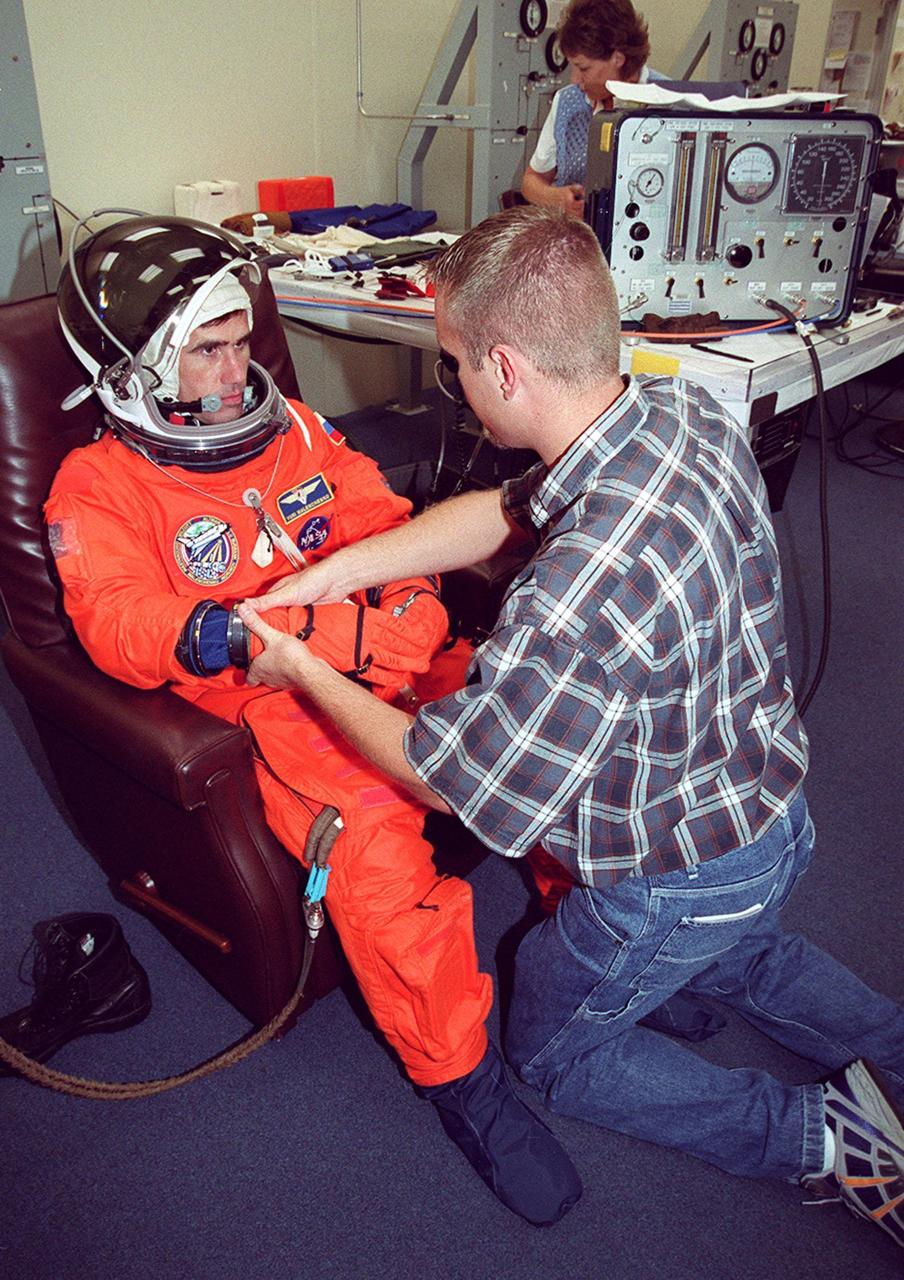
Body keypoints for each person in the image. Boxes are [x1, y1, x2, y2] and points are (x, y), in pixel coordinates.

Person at [237, 205, 904, 1252]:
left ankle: (819, 1137)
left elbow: (446, 776)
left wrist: (303, 665)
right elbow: (510, 510)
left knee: (554, 1048)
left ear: (504, 367)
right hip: (766, 811)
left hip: (675, 873)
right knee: (737, 955)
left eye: (456, 362)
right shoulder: (680, 415)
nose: (453, 382)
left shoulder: (572, 592)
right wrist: (338, 571)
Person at [45, 213, 582, 1228]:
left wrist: (411, 602)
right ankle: (463, 1080)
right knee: (378, 863)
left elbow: (378, 516)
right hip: (278, 699)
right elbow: (116, 616)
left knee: (538, 728)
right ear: (139, 366)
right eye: (210, 347)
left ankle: (591, 944)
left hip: (379, 640)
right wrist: (218, 633)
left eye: (243, 337)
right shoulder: (99, 485)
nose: (239, 363)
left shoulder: (289, 423)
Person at [522, 0, 665, 215]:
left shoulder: (668, 104)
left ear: (617, 58)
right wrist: (558, 198)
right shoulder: (567, 102)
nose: (575, 80)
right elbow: (532, 181)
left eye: (583, 68)